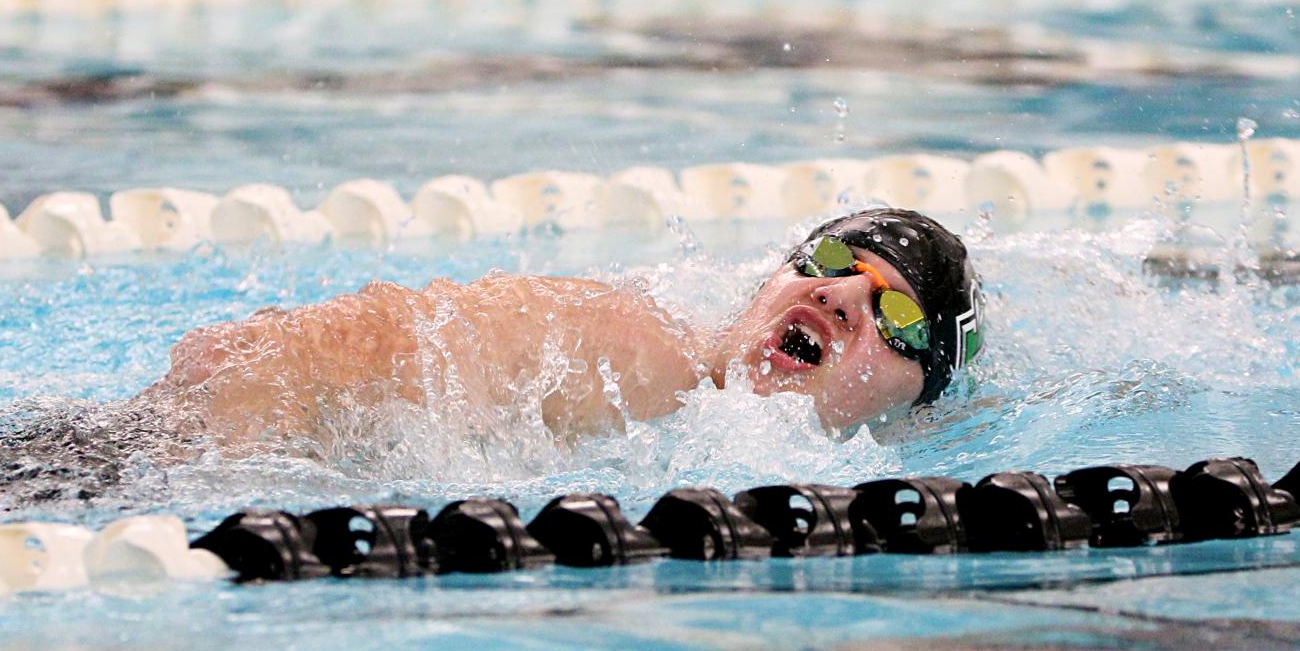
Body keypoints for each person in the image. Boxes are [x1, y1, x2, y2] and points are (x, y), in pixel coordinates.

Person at [142, 208, 985, 449]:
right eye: (829, 257)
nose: (838, 294)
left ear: (918, 402)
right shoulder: (635, 350)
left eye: (895, 313)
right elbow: (253, 356)